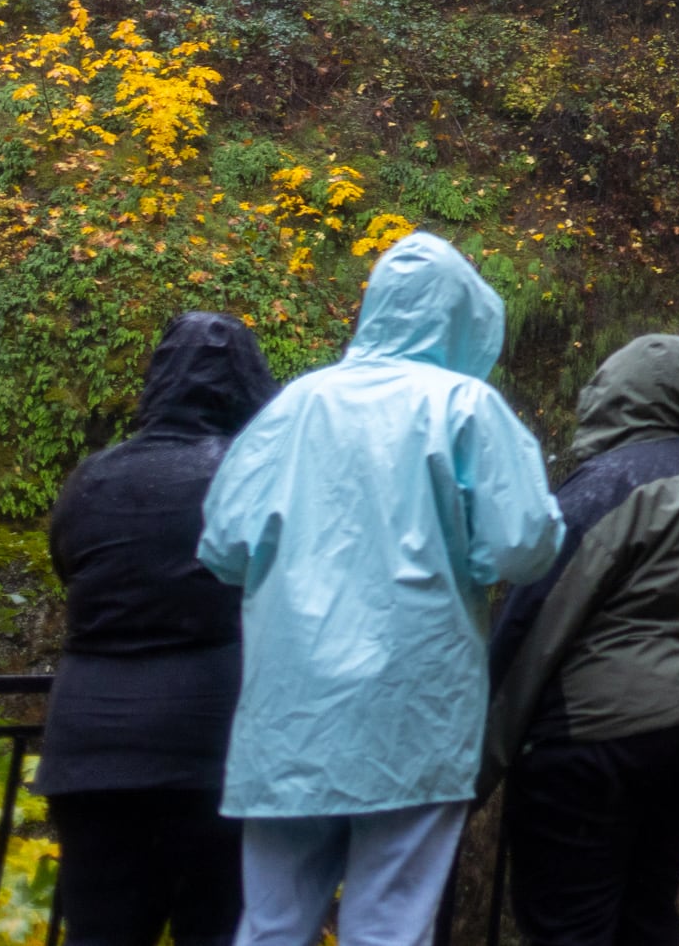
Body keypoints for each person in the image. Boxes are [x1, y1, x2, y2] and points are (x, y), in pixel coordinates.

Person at [200, 231, 564, 946]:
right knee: (391, 924)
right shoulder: (465, 407)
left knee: (271, 924)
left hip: (291, 713)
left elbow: (222, 545)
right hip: (413, 708)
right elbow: (522, 544)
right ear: (463, 318)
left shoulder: (295, 406)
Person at [484, 334, 679, 946]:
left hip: (597, 737)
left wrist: (475, 769)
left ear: (612, 397)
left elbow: (537, 624)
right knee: (647, 914)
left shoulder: (610, 483)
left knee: (569, 923)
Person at [42, 312, 277, 946]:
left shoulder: (92, 477)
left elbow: (68, 566)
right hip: (211, 748)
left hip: (87, 747)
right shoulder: (248, 475)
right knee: (216, 928)